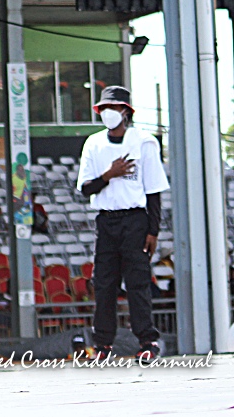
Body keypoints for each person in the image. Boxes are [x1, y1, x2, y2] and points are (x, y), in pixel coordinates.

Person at [76, 86, 169, 361]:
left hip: (135, 220)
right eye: (103, 109)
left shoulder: (144, 141)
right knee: (103, 283)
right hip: (107, 221)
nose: (107, 113)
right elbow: (85, 188)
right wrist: (109, 174)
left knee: (138, 282)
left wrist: (153, 231)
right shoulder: (94, 143)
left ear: (126, 112)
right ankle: (103, 345)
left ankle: (148, 342)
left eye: (113, 108)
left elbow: (153, 190)